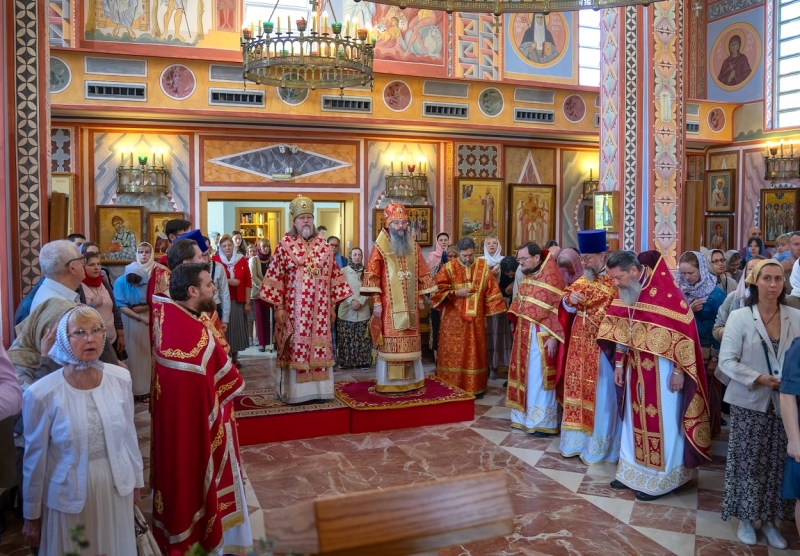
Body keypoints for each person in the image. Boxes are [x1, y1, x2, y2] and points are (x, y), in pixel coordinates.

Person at [21, 307, 143, 554]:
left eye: (96, 330)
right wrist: (31, 514)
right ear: (64, 340)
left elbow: (129, 437)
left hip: (115, 487)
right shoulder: (42, 393)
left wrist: (137, 484)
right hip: (68, 494)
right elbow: (34, 458)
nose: (90, 338)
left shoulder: (120, 379)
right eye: (80, 332)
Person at [151, 263, 251, 553]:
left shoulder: (170, 318)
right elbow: (229, 380)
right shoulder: (196, 337)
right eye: (209, 284)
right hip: (196, 428)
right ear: (193, 291)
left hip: (177, 427)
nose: (215, 288)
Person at [599, 250, 712, 501]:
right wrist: (618, 365)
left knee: (665, 424)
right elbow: (621, 330)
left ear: (634, 271)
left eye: (619, 278)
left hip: (663, 374)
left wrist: (679, 372)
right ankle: (631, 472)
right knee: (631, 419)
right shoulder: (627, 293)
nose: (616, 284)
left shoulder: (667, 295)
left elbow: (684, 337)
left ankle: (664, 479)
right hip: (634, 370)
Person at [719, 259, 800, 548]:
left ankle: (770, 522)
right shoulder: (741, 317)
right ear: (755, 282)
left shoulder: (795, 316)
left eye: (778, 279)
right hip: (749, 401)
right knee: (749, 463)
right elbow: (727, 361)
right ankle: (746, 520)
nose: (773, 285)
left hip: (786, 406)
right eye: (767, 278)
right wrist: (759, 378)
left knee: (779, 464)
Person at [259, 195, 352, 404]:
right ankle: (295, 394)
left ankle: (321, 391)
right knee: (295, 348)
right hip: (293, 311)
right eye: (302, 218)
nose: (306, 221)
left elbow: (334, 279)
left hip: (319, 312)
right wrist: (279, 308)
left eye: (309, 217)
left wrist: (332, 307)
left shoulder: (325, 248)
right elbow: (275, 279)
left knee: (320, 347)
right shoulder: (284, 246)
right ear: (294, 222)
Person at [558, 230, 620, 465]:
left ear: (602, 256)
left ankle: (599, 448)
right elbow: (566, 300)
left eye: (588, 259)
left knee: (601, 396)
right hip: (578, 347)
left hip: (602, 350)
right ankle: (575, 443)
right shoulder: (585, 278)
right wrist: (568, 301)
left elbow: (620, 312)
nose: (583, 263)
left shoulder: (615, 280)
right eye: (582, 259)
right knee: (577, 390)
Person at [362, 202, 436, 392]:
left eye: (404, 223)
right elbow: (372, 275)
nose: (401, 227)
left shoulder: (413, 245)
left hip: (410, 307)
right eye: (397, 223)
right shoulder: (380, 246)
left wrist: (420, 299)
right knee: (391, 342)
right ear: (388, 224)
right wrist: (377, 303)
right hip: (389, 307)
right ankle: (389, 384)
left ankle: (411, 381)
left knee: (410, 341)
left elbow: (421, 273)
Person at [432, 236, 506, 396]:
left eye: (470, 255)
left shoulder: (482, 267)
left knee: (474, 352)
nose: (467, 258)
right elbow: (436, 291)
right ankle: (451, 386)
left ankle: (474, 387)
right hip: (452, 322)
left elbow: (491, 292)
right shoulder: (449, 268)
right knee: (454, 353)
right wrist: (456, 292)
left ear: (474, 252)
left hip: (476, 321)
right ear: (459, 253)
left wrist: (487, 316)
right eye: (464, 255)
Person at [506, 243, 566, 436]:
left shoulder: (553, 278)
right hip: (523, 335)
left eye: (523, 259)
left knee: (539, 379)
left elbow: (559, 311)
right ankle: (522, 418)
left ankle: (542, 421)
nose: (520, 262)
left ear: (536, 258)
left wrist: (555, 338)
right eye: (519, 259)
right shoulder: (526, 276)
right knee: (524, 375)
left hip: (542, 338)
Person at [677, 251, 728, 437]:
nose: (686, 277)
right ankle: (690, 434)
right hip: (686, 353)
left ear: (702, 269)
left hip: (707, 354)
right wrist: (689, 311)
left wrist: (715, 358)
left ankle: (707, 435)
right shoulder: (679, 291)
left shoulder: (716, 294)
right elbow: (675, 321)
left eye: (690, 273)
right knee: (690, 396)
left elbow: (722, 329)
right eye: (683, 273)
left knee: (708, 395)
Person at [114, 242, 155, 402]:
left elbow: (154, 299)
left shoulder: (150, 279)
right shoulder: (119, 282)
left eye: (137, 284)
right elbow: (121, 305)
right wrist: (138, 315)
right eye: (131, 284)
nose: (133, 286)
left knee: (145, 354)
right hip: (128, 319)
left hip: (146, 319)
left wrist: (144, 308)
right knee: (130, 354)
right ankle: (130, 390)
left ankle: (144, 389)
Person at [213, 234, 252, 367]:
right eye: (224, 246)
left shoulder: (241, 260)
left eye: (229, 245)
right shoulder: (215, 260)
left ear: (234, 246)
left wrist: (247, 303)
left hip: (238, 301)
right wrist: (229, 281)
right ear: (220, 247)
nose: (227, 248)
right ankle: (224, 359)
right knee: (224, 330)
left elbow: (247, 282)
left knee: (236, 329)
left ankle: (234, 358)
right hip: (221, 301)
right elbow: (213, 281)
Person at [80, 251, 125, 359]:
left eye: (98, 264)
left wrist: (121, 335)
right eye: (91, 265)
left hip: (112, 339)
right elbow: (77, 315)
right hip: (92, 341)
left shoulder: (103, 282)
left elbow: (115, 309)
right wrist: (92, 304)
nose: (96, 268)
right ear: (83, 267)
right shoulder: (79, 286)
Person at [337, 248, 372, 369]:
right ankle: (345, 361)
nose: (357, 257)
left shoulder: (367, 272)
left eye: (359, 255)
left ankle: (363, 362)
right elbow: (340, 288)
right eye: (355, 255)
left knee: (362, 337)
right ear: (350, 256)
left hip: (363, 310)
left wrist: (360, 302)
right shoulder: (343, 271)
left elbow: (369, 289)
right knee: (346, 337)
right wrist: (351, 301)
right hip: (346, 310)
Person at [482, 235, 511, 380]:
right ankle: (484, 365)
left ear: (498, 245)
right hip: (483, 304)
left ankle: (495, 366)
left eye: (494, 243)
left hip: (499, 303)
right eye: (488, 243)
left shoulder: (504, 261)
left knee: (496, 334)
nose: (491, 245)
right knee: (485, 335)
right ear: (485, 246)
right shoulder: (480, 262)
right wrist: (488, 274)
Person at [202, 238, 231, 333]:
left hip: (215, 307)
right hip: (199, 309)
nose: (204, 251)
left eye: (206, 248)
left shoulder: (218, 267)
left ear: (210, 248)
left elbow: (224, 293)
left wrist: (225, 319)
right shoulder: (192, 269)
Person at [249, 238, 272, 352]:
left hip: (271, 294)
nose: (266, 249)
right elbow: (253, 277)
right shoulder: (254, 259)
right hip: (259, 293)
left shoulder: (271, 260)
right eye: (264, 246)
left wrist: (271, 287)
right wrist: (264, 287)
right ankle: (262, 343)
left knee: (270, 319)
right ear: (259, 248)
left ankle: (271, 342)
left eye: (267, 246)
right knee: (261, 318)